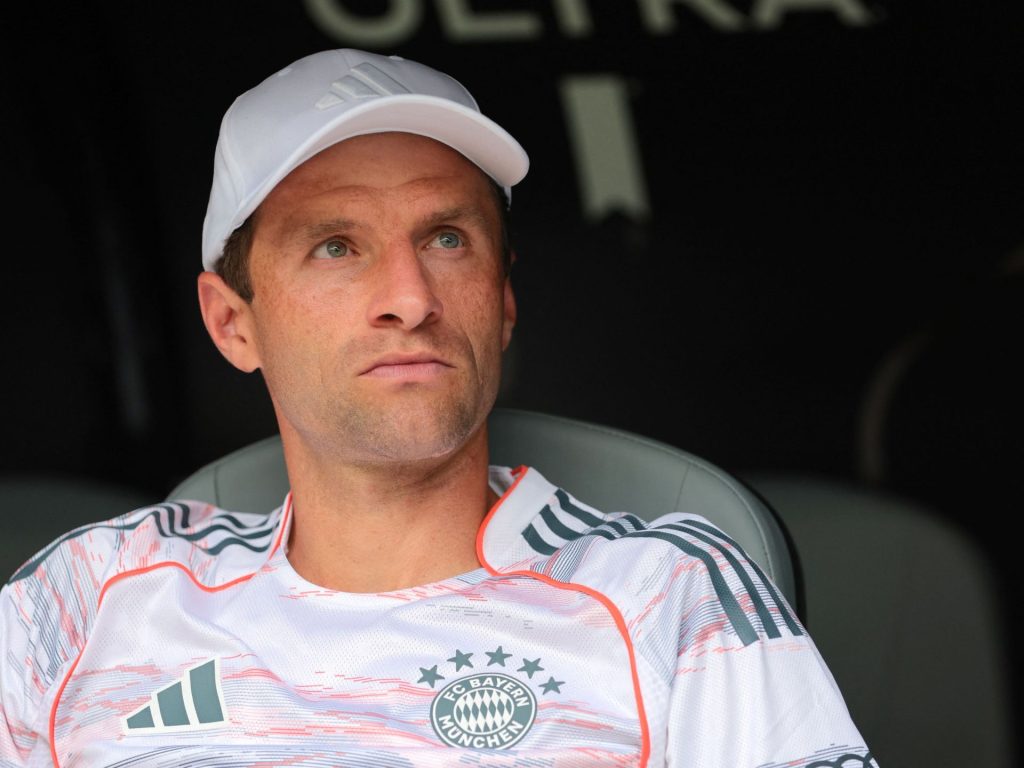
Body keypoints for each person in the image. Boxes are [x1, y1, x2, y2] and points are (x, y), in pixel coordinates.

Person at [0, 49, 874, 767]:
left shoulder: (666, 593)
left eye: (446, 238)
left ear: (502, 300)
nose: (410, 299)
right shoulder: (86, 598)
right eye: (336, 246)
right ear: (233, 324)